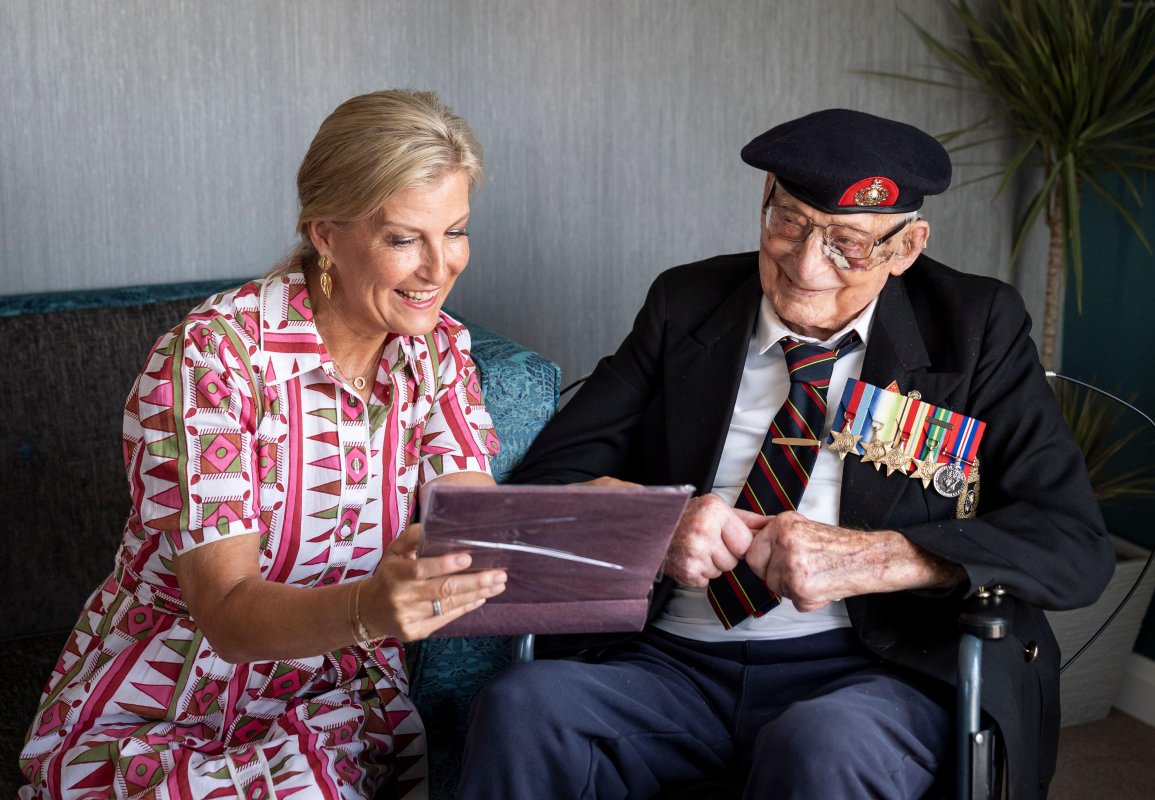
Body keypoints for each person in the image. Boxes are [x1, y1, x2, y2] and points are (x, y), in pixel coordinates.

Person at [458, 109, 1115, 799]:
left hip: (873, 669)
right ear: (765, 197)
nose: (806, 266)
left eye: (848, 245)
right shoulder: (688, 303)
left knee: (821, 747)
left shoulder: (974, 327)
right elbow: (542, 491)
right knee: (523, 707)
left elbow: (1070, 543)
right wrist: (657, 525)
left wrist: (877, 557)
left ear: (907, 246)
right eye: (789, 223)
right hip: (673, 661)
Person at [19, 89, 510, 799]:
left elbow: (479, 536)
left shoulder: (439, 353)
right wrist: (370, 608)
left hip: (335, 702)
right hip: (170, 702)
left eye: (456, 231)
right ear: (326, 235)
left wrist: (600, 516)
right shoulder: (212, 360)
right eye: (405, 238)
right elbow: (227, 616)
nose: (440, 268)